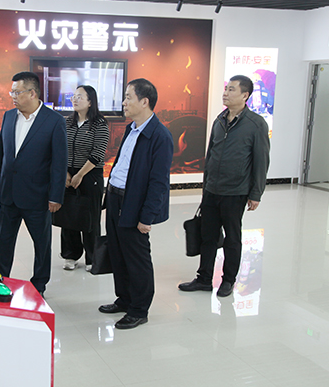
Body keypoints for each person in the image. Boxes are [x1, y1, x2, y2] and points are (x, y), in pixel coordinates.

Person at [178, 75, 270, 298]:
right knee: (208, 236)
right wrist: (205, 186)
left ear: (245, 95)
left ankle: (228, 280)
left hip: (235, 192)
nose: (225, 93)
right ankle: (204, 278)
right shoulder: (219, 120)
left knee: (232, 238)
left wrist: (256, 193)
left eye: (231, 90)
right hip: (212, 190)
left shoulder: (256, 124)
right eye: (226, 89)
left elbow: (261, 161)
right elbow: (211, 155)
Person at [98, 78, 173, 330]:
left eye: (128, 97)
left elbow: (159, 182)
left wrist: (147, 217)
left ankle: (139, 309)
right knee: (118, 252)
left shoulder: (160, 136)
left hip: (134, 203)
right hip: (116, 198)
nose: (124, 102)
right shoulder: (132, 128)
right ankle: (125, 299)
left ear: (144, 101)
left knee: (136, 257)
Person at [0, 71, 67, 296]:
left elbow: (59, 162)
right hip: (8, 193)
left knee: (41, 244)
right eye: (12, 92)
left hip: (38, 195)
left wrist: (56, 196)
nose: (13, 96)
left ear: (32, 93)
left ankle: (39, 284)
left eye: (17, 92)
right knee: (3, 242)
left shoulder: (54, 121)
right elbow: (1, 153)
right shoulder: (8, 116)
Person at [60, 85, 109, 272]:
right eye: (73, 96)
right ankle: (70, 255)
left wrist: (80, 174)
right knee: (68, 216)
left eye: (79, 97)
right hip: (68, 174)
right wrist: (65, 172)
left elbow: (98, 153)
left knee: (90, 219)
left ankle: (92, 257)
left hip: (90, 174)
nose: (74, 99)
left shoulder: (99, 124)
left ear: (90, 102)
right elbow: (59, 148)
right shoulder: (67, 122)